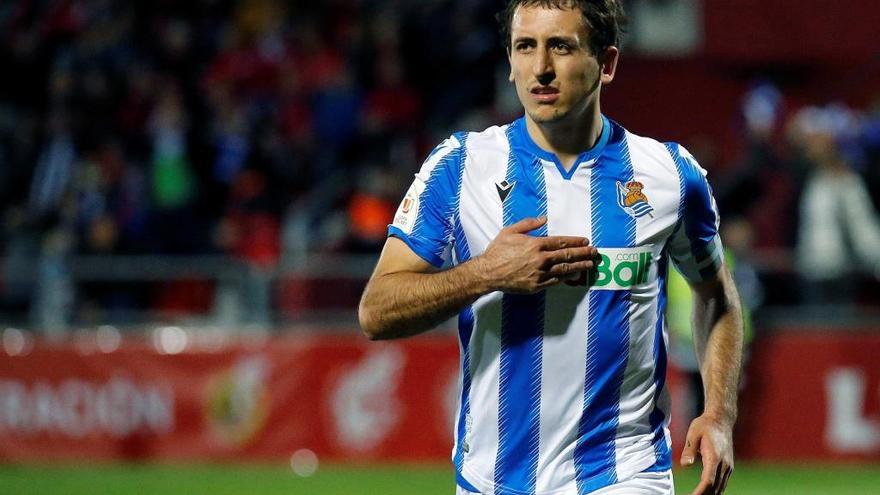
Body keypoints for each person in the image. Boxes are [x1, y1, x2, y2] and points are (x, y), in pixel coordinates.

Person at [359, 1, 744, 494]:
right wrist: (485, 274)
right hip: (490, 479)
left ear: (606, 63)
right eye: (525, 47)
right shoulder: (460, 167)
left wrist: (719, 413)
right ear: (510, 61)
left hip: (624, 473)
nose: (540, 67)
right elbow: (376, 311)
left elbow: (717, 297)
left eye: (560, 46)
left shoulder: (668, 175)